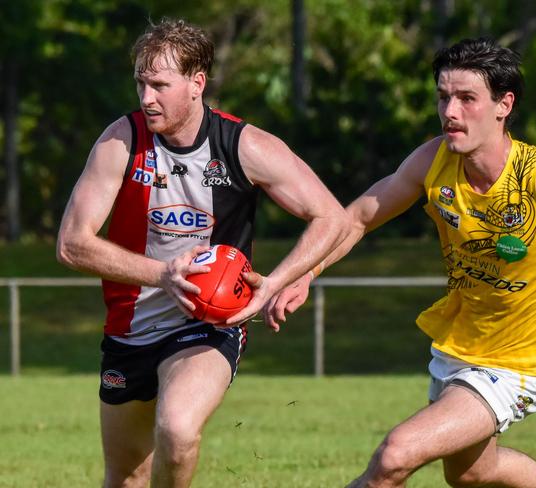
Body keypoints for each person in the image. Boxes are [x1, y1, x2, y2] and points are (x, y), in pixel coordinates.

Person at [265, 38, 536, 488]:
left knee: (396, 455)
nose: (450, 111)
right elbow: (358, 218)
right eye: (444, 97)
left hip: (519, 364)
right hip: (457, 350)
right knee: (472, 475)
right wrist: (306, 273)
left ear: (504, 105)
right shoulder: (434, 160)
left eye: (467, 99)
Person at [56, 18, 349, 488]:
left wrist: (282, 278)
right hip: (129, 329)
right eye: (140, 83)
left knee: (177, 428)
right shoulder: (120, 141)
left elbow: (330, 217)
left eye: (159, 85)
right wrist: (162, 275)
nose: (146, 97)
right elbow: (72, 244)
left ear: (197, 83)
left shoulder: (244, 145)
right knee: (126, 476)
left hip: (206, 326)